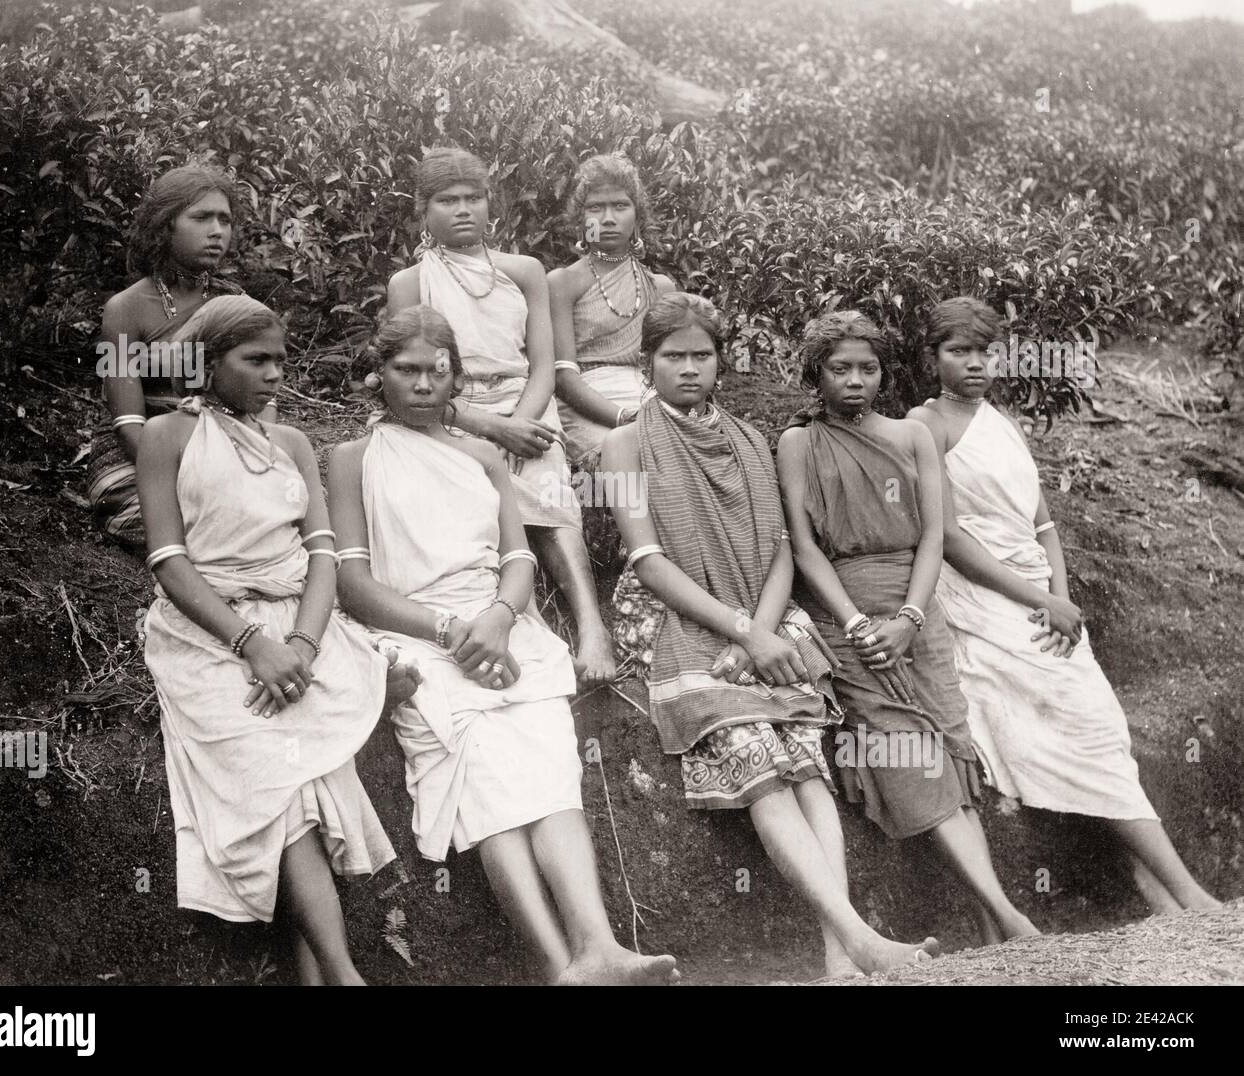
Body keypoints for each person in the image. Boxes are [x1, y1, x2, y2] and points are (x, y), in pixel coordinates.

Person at [328, 304, 679, 985]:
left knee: (550, 781)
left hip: (504, 630)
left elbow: (518, 558)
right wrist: (446, 630)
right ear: (378, 376)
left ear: (457, 378)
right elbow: (353, 583)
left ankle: (600, 947)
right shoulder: (353, 460)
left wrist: (495, 618)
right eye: (406, 371)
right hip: (418, 638)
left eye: (438, 371)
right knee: (489, 787)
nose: (424, 384)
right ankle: (557, 964)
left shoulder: (484, 454)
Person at [603, 292, 941, 976]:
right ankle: (861, 940)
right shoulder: (624, 444)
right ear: (647, 365)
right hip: (675, 618)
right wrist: (739, 631)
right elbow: (647, 560)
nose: (690, 369)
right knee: (755, 756)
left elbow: (785, 547)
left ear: (721, 362)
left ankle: (835, 958)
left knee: (807, 765)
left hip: (759, 612)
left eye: (703, 355)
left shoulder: (750, 440)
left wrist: (759, 630)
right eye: (674, 357)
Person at [908, 296, 1220, 916]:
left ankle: (1157, 888)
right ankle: (1187, 892)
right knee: (1079, 721)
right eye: (958, 351)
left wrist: (1061, 599)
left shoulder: (1004, 421)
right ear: (931, 357)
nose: (974, 364)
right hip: (982, 595)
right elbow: (952, 541)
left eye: (985, 352)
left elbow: (1043, 525)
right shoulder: (927, 423)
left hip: (1039, 594)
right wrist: (1036, 600)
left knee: (1100, 723)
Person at [136, 295, 398, 985]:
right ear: (209, 362)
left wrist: (304, 646)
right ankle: (343, 974)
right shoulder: (168, 437)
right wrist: (252, 643)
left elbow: (322, 555)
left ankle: (321, 979)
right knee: (274, 776)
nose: (274, 374)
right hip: (208, 630)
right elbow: (168, 560)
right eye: (255, 360)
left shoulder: (292, 444)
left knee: (304, 770)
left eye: (280, 360)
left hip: (300, 623)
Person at [777, 310, 1039, 944]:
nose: (855, 381)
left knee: (949, 751)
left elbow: (932, 535)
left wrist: (912, 617)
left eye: (868, 369)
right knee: (907, 754)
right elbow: (805, 548)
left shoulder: (911, 436)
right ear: (817, 374)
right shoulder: (798, 443)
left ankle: (988, 919)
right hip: (850, 621)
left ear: (884, 372)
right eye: (840, 369)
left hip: (919, 616)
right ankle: (1009, 916)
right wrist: (857, 621)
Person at [385, 147, 617, 686]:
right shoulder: (410, 284)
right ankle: (513, 620)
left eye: (474, 198)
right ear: (423, 211)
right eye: (447, 200)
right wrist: (487, 427)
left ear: (492, 205)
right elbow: (409, 378)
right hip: (447, 411)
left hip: (525, 405)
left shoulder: (524, 271)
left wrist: (521, 424)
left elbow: (542, 366)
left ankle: (591, 625)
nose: (463, 209)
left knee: (548, 484)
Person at [87, 163, 270, 547]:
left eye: (225, 219)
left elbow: (263, 407)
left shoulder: (239, 305)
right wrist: (190, 474)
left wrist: (250, 462)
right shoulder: (125, 309)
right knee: (190, 524)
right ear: (166, 224)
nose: (217, 230)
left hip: (222, 451)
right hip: (139, 460)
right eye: (201, 217)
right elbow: (128, 423)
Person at [548, 153, 675, 471]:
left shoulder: (660, 287)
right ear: (581, 219)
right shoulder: (563, 282)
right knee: (627, 459)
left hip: (650, 399)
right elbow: (563, 377)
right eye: (595, 207)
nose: (608, 218)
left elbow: (673, 364)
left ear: (637, 216)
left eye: (620, 206)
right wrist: (622, 417)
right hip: (588, 405)